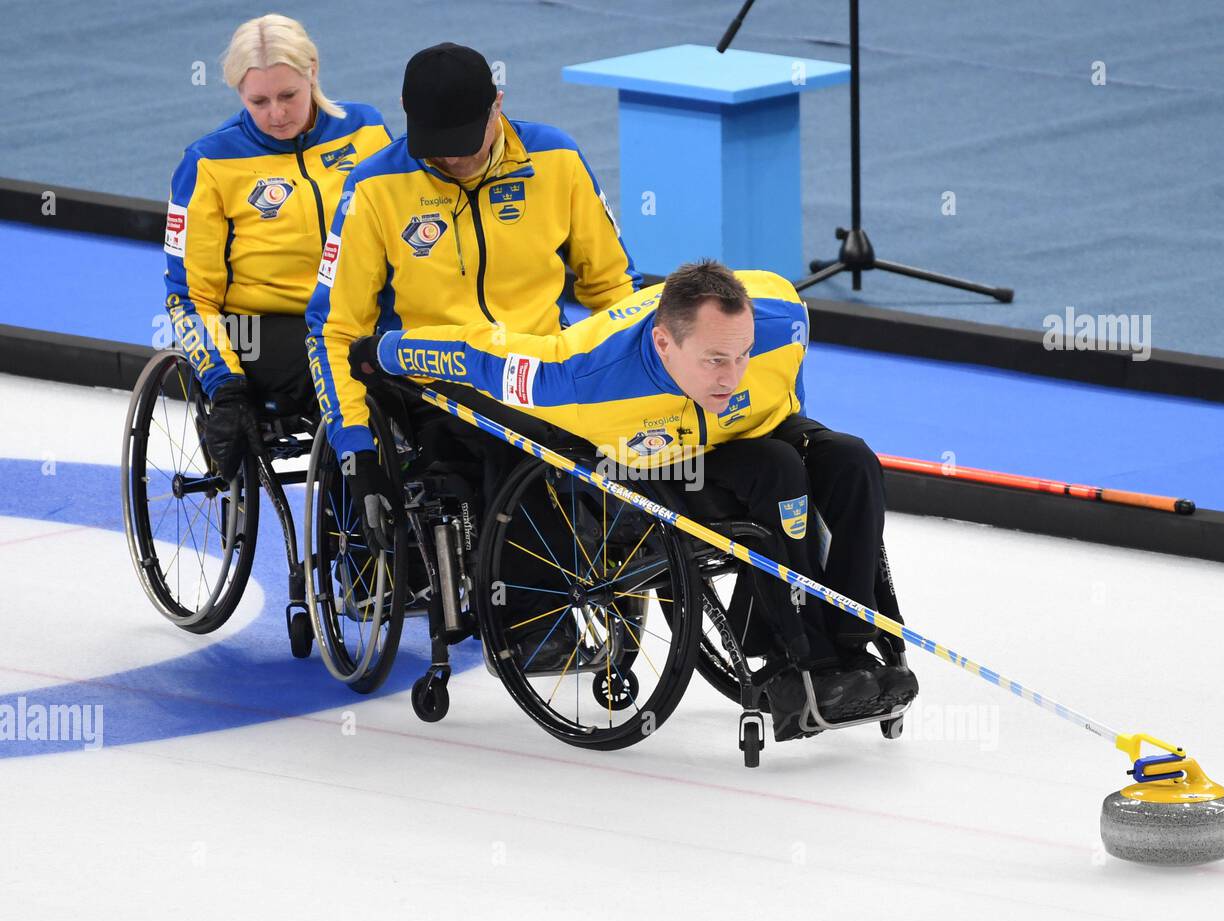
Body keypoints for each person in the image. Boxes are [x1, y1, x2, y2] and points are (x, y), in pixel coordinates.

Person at [347, 260, 919, 741]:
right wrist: (387, 351)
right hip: (664, 461)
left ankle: (855, 640)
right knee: (779, 471)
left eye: (741, 355)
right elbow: (478, 354)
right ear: (664, 343)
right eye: (715, 360)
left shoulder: (782, 317)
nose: (733, 373)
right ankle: (805, 668)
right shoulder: (574, 375)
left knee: (851, 460)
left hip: (742, 434)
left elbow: (785, 398)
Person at [306, 41, 641, 511]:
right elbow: (336, 329)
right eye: (436, 146)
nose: (453, 160)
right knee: (517, 449)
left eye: (464, 141)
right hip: (431, 380)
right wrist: (356, 448)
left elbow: (612, 287)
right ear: (405, 110)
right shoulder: (372, 187)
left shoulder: (557, 159)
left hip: (540, 367)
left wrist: (633, 376)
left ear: (497, 105)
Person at [164, 13, 391, 479]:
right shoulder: (209, 162)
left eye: (288, 95)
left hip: (361, 310)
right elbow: (188, 296)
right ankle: (349, 535)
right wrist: (223, 383)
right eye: (259, 101)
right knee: (356, 385)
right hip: (263, 328)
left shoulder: (366, 129)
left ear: (313, 71)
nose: (277, 114)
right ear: (238, 95)